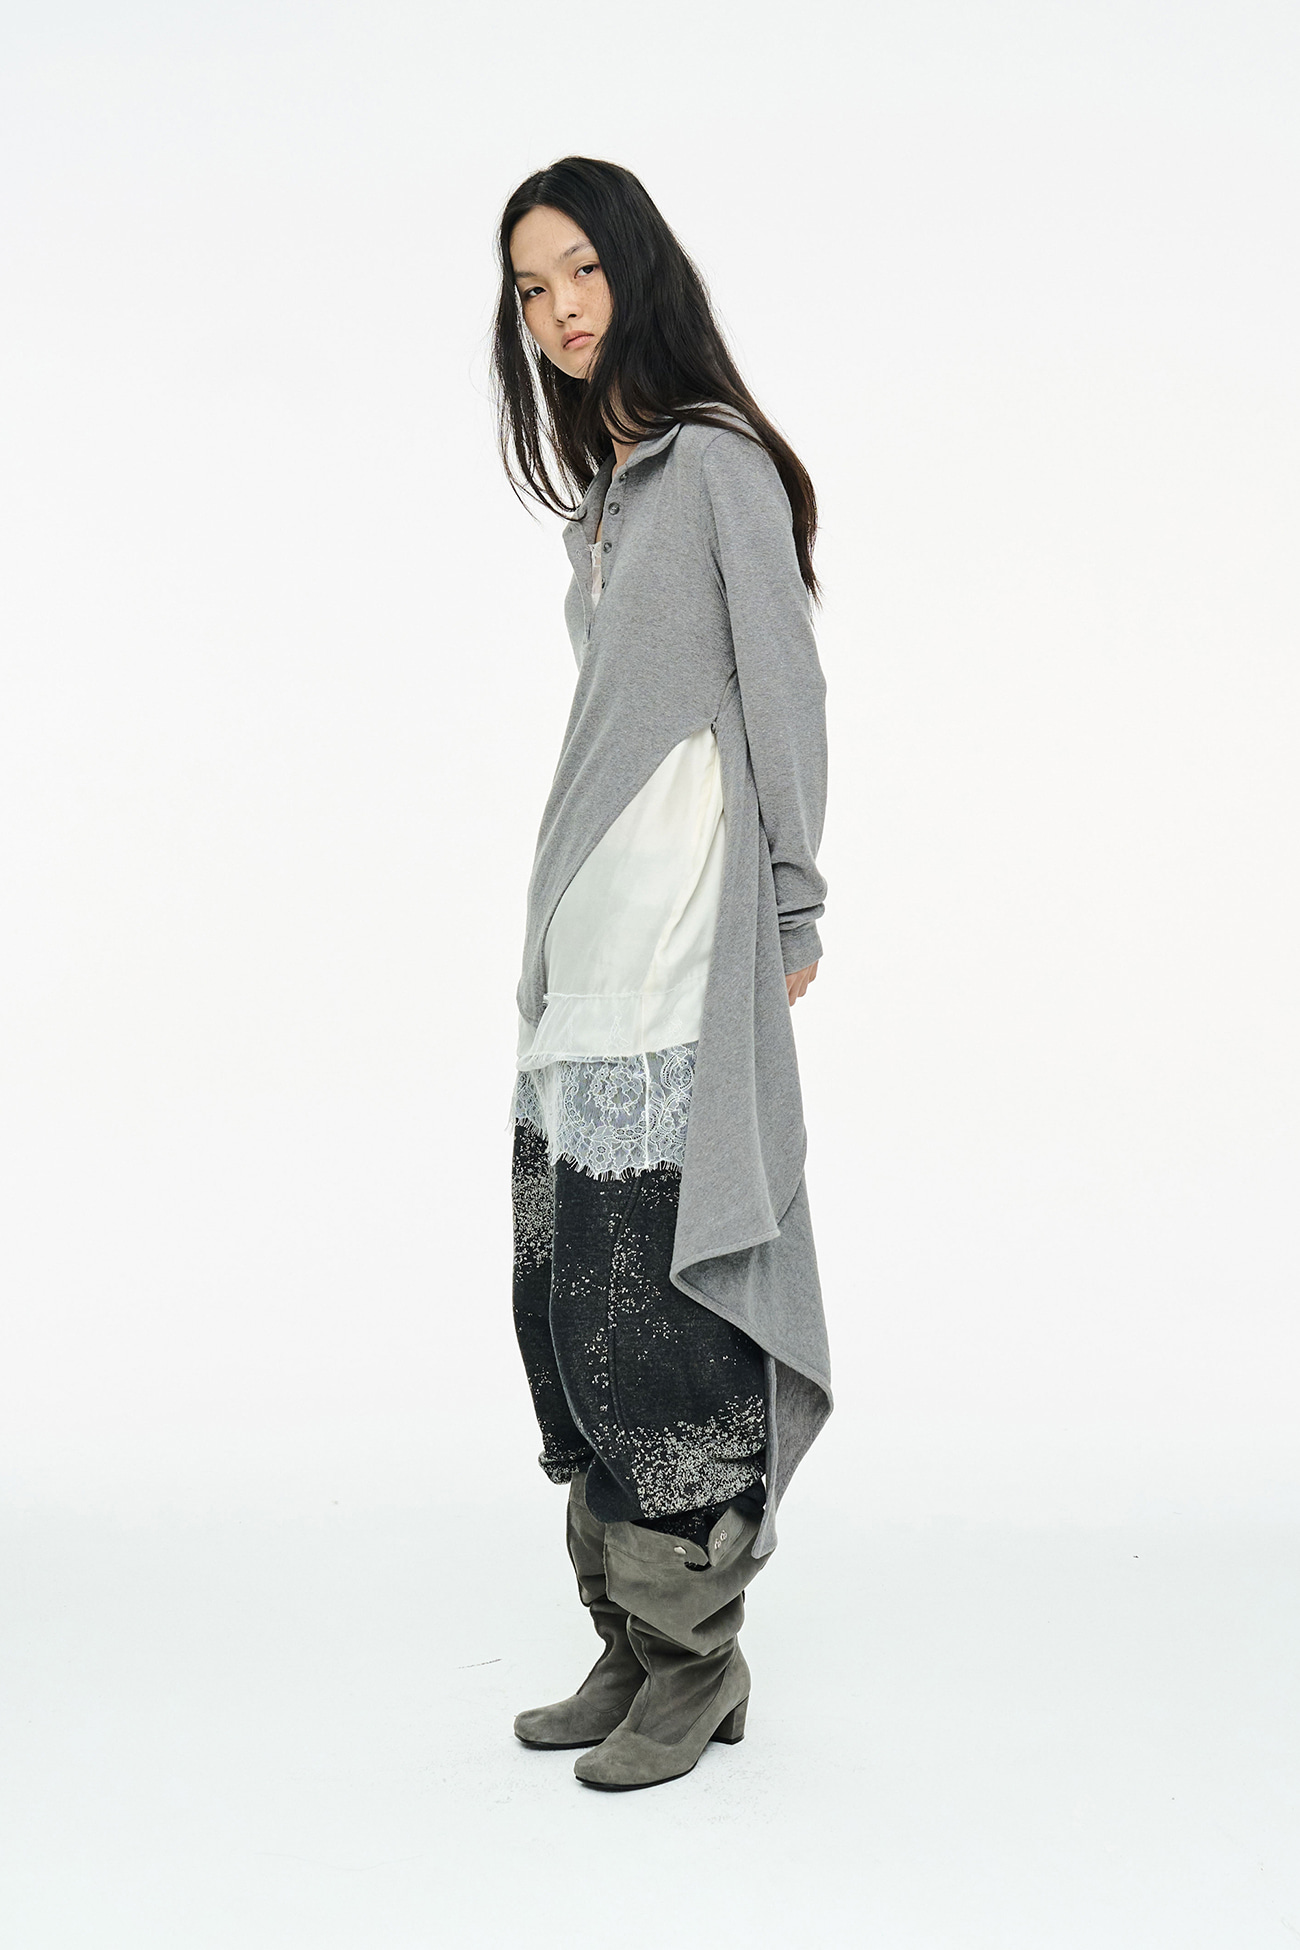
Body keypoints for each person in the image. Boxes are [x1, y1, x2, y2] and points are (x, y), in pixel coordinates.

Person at [491, 156, 832, 1792]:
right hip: (592, 952)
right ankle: (631, 1637)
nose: (560, 308)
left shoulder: (716, 468)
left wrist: (793, 908)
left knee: (661, 1304)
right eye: (530, 288)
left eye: (581, 270)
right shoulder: (608, 500)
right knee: (572, 1298)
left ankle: (697, 1655)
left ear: (636, 269)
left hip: (685, 946)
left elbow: (786, 690)